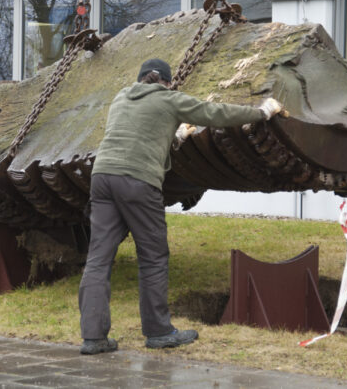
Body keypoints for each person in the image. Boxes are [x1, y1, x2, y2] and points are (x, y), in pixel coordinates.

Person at [78, 58, 283, 354]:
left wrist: (174, 136)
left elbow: (137, 132)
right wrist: (260, 112)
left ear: (140, 80)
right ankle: (159, 332)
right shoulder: (170, 99)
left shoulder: (121, 97)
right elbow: (215, 113)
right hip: (138, 181)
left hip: (103, 177)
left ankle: (93, 338)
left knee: (98, 258)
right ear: (166, 82)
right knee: (152, 255)